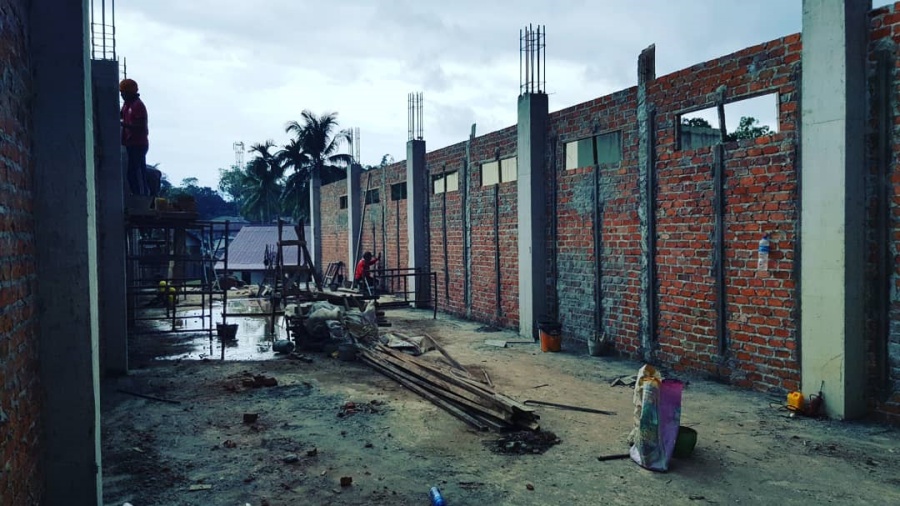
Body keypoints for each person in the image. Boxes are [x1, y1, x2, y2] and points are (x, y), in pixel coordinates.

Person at [120, 78, 150, 196]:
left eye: (123, 93)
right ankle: (138, 195)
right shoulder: (127, 105)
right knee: (132, 173)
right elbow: (120, 115)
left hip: (138, 144)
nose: (122, 95)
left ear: (129, 93)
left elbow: (140, 126)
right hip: (131, 143)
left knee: (137, 173)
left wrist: (123, 125)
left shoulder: (138, 106)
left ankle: (141, 196)